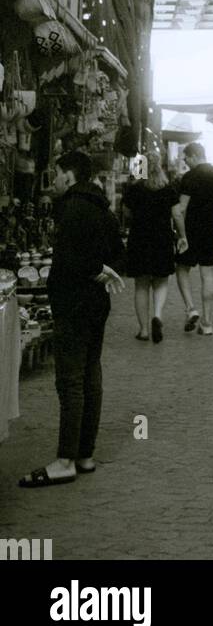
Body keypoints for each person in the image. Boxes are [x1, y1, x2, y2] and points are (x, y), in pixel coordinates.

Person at [19, 149, 126, 488]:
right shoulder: (103, 210)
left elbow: (67, 261)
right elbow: (119, 256)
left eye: (58, 172)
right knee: (91, 375)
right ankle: (85, 454)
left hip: (73, 304)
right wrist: (103, 270)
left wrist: (94, 269)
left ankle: (65, 459)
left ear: (69, 175)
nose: (55, 178)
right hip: (97, 305)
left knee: (70, 381)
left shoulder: (72, 209)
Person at [123, 153, 186, 344]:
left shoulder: (135, 189)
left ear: (140, 166)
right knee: (161, 281)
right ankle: (157, 315)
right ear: (160, 166)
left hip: (139, 238)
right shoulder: (168, 189)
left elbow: (125, 212)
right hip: (162, 239)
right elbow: (176, 215)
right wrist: (182, 236)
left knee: (141, 285)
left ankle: (143, 330)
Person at [174, 142, 213, 336]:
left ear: (193, 156)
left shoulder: (189, 178)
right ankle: (207, 322)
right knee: (207, 273)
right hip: (212, 230)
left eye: (186, 158)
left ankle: (191, 308)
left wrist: (179, 232)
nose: (185, 162)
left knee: (182, 268)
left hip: (190, 231)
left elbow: (182, 208)